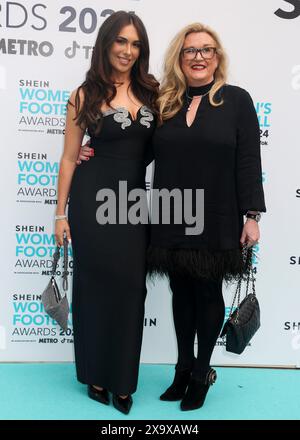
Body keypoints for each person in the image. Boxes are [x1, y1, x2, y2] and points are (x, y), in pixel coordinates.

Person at [79, 22, 266, 411]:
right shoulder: (165, 102)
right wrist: (94, 153)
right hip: (171, 209)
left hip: (215, 212)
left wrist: (252, 214)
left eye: (206, 50)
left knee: (208, 293)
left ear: (217, 57)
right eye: (190, 50)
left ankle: (201, 374)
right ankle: (182, 369)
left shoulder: (236, 100)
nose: (198, 57)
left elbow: (249, 159)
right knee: (181, 293)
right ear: (179, 59)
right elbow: (135, 146)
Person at [55, 11, 158, 415]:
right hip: (91, 201)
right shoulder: (85, 94)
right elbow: (67, 158)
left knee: (132, 290)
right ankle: (96, 376)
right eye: (121, 41)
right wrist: (59, 215)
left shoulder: (153, 93)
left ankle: (123, 381)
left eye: (135, 44)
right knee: (94, 289)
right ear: (105, 43)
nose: (128, 51)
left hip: (133, 205)